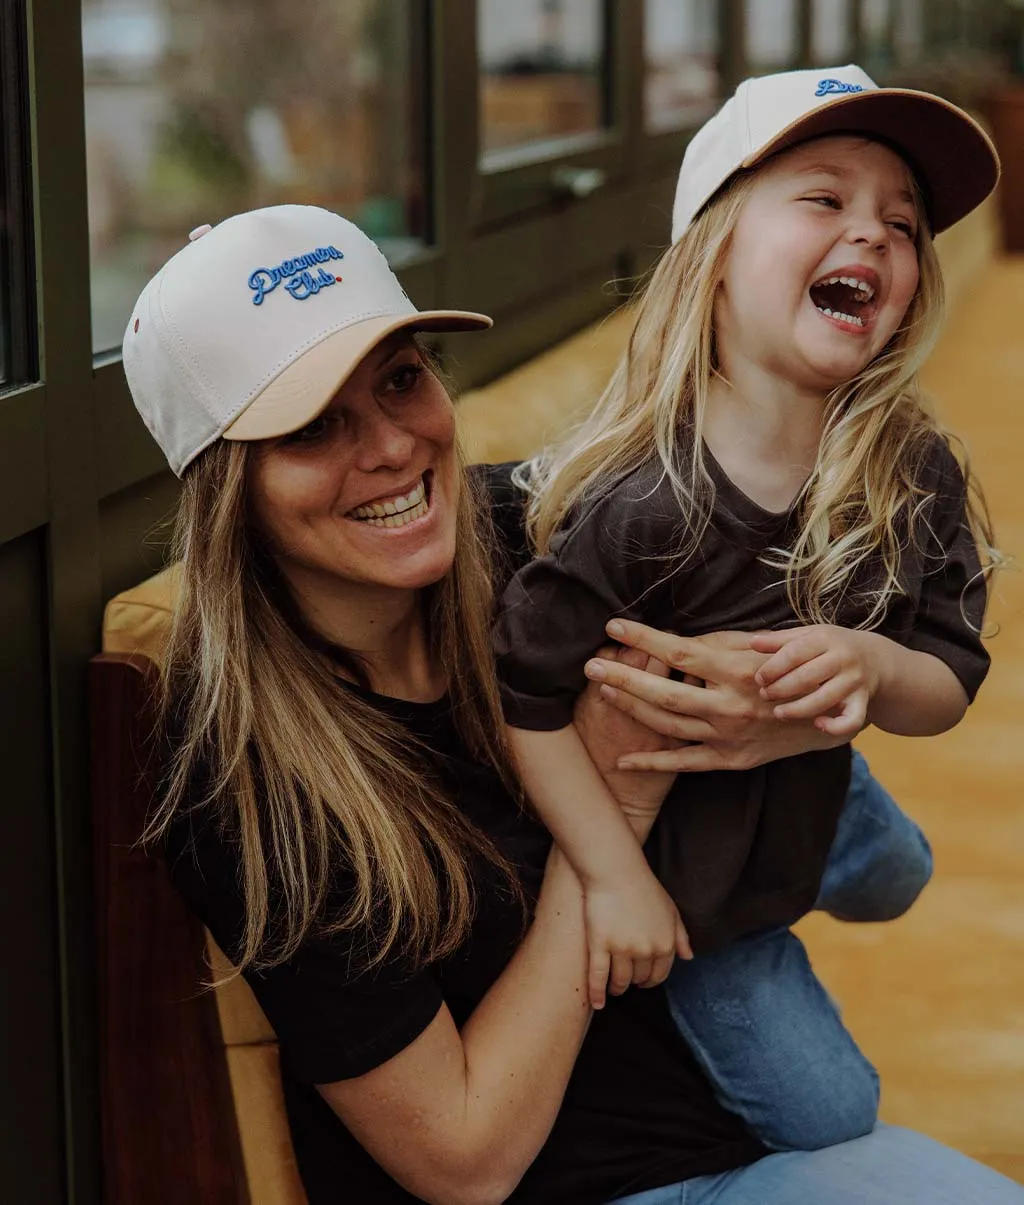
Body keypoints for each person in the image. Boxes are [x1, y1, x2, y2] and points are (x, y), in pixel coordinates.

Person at [120, 203, 1023, 1202]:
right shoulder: (242, 772)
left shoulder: (540, 525)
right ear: (226, 485)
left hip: (753, 1123)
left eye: (401, 379)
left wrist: (772, 709)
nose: (389, 446)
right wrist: (609, 811)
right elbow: (465, 1161)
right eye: (313, 426)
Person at [494, 62, 1001, 1154]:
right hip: (698, 880)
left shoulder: (907, 467)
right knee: (833, 1112)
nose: (870, 236)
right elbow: (521, 703)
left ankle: (839, 820)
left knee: (899, 870)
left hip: (817, 775)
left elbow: (948, 673)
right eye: (822, 200)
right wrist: (618, 880)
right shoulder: (639, 508)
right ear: (713, 255)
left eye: (900, 224)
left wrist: (866, 670)